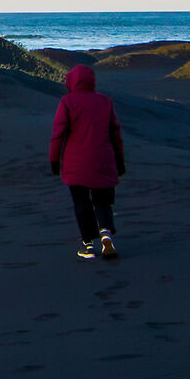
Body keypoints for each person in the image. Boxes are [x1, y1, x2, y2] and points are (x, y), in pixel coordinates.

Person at [49, 63, 126, 259]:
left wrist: (54, 160)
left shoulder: (67, 102)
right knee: (103, 201)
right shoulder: (105, 102)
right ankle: (106, 235)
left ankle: (88, 245)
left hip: (76, 163)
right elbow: (115, 134)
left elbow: (58, 134)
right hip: (103, 160)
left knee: (81, 202)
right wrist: (120, 160)